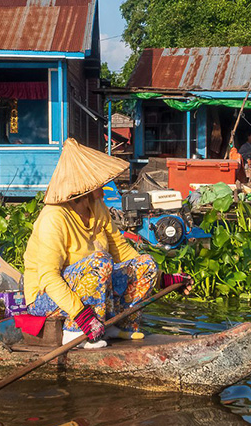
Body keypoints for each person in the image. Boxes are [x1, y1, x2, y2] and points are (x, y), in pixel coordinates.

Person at [23, 139, 191, 349]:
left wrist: (161, 278)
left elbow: (120, 250)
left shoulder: (98, 207)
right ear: (85, 187)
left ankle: (116, 325)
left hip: (90, 296)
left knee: (146, 263)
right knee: (100, 262)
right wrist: (81, 315)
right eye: (99, 182)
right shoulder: (54, 217)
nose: (104, 186)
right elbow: (48, 277)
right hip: (46, 299)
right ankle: (73, 332)